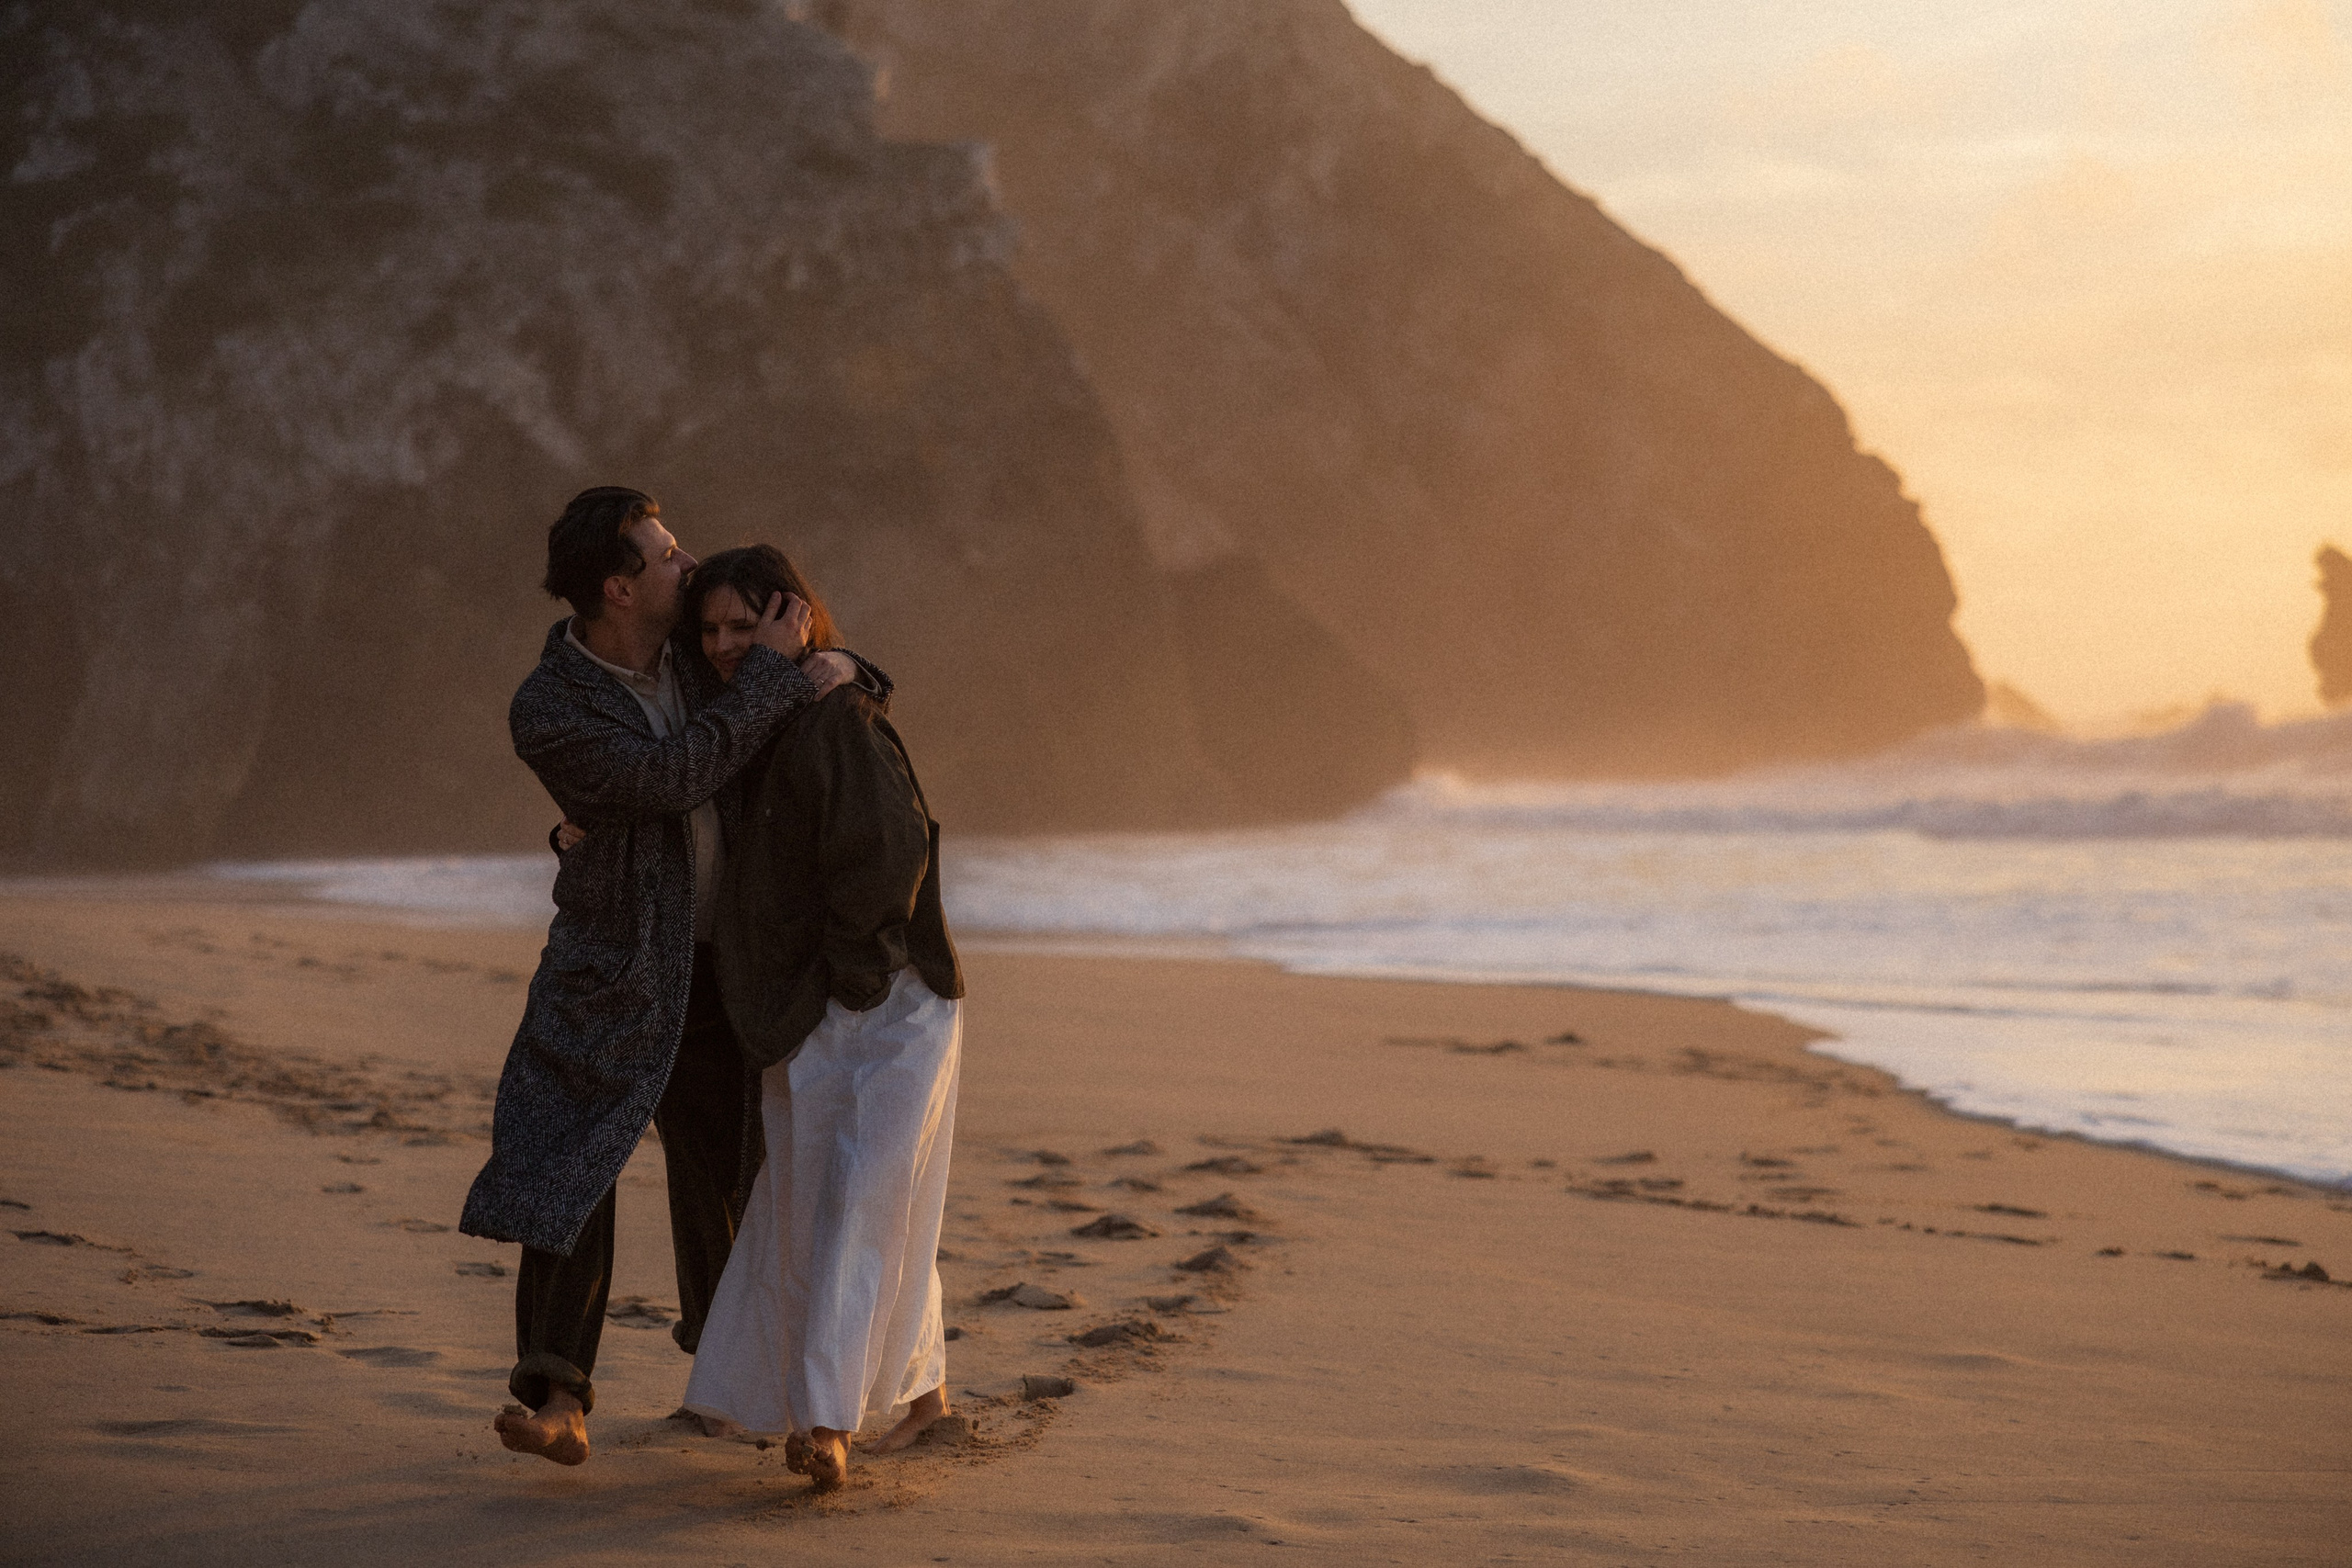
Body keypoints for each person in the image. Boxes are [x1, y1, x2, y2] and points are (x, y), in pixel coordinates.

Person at [458, 487, 886, 1467]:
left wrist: (840, 663)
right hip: (608, 974)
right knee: (573, 1167)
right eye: (666, 554)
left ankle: (741, 1384)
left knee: (730, 1180)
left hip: (721, 971)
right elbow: (665, 779)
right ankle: (558, 1398)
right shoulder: (550, 706)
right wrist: (774, 683)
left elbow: (839, 690)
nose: (686, 566)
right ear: (618, 587)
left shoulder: (706, 658)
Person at [673, 546, 965, 1493]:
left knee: (856, 1209)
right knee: (826, 1208)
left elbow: (893, 850)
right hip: (810, 1009)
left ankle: (828, 1427)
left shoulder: (838, 714)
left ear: (792, 620)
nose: (722, 645)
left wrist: (851, 977)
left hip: (887, 1004)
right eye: (708, 628)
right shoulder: (744, 714)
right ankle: (924, 1403)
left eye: (741, 626)